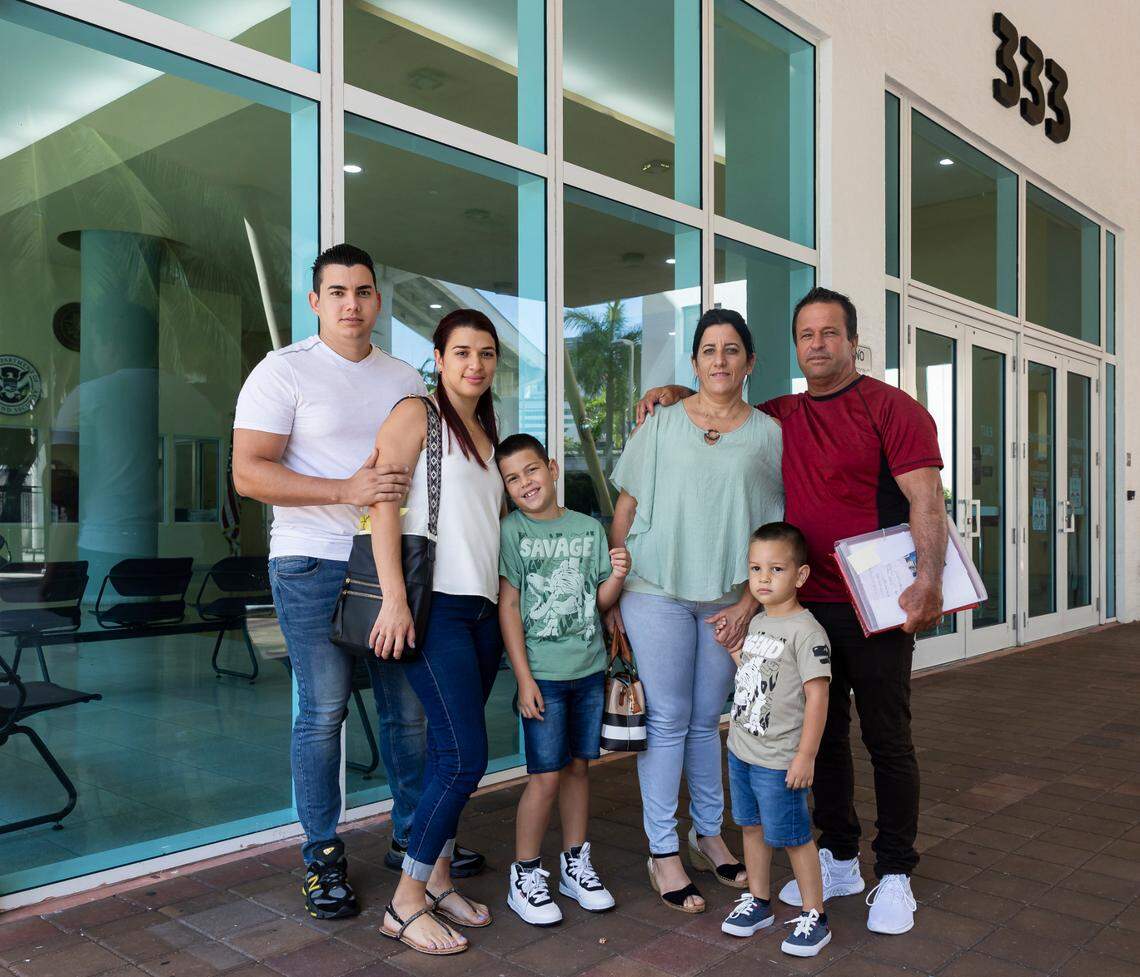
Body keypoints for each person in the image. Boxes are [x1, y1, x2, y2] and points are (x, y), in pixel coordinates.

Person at [637, 286, 947, 935]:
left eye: (829, 332)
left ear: (851, 340)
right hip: (801, 609)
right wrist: (671, 393)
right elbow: (720, 406)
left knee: (886, 736)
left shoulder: (894, 409)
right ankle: (838, 852)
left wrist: (930, 579)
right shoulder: (782, 414)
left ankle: (894, 869)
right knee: (822, 737)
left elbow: (925, 500)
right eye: (806, 334)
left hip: (876, 606)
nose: (817, 344)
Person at [233, 244, 485, 921]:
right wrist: (343, 488)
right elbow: (249, 472)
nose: (352, 302)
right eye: (337, 291)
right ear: (315, 301)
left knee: (407, 711)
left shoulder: (404, 377)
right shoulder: (281, 371)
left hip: (387, 565)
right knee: (322, 713)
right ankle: (321, 854)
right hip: (309, 562)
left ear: (377, 300)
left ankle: (413, 842)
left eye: (364, 291)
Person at [608, 309, 784, 914]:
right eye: (708, 349)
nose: (719, 360)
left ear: (749, 362)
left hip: (726, 598)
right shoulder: (660, 423)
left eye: (732, 350)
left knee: (709, 718)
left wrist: (745, 604)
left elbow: (772, 533)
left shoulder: (768, 435)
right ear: (694, 363)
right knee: (669, 717)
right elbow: (626, 508)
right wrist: (613, 585)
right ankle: (662, 849)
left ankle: (707, 831)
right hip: (654, 588)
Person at [370, 310, 505, 955]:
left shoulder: (484, 431)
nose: (474, 364)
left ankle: (440, 882)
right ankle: (403, 903)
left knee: (448, 757)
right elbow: (381, 504)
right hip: (436, 608)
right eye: (461, 353)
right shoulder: (416, 413)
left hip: (480, 614)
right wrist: (395, 599)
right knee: (463, 758)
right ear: (439, 357)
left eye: (485, 353)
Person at [496, 433, 629, 926]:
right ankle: (525, 872)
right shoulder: (513, 532)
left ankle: (575, 863)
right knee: (544, 776)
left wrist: (617, 575)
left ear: (551, 468)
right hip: (544, 677)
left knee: (578, 768)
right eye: (512, 478)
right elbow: (509, 605)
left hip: (589, 671)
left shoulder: (588, 529)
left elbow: (598, 602)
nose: (525, 483)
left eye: (530, 470)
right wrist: (523, 677)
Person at [720, 522, 831, 958]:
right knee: (751, 827)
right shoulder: (761, 621)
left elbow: (817, 696)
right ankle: (760, 902)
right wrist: (732, 648)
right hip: (742, 751)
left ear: (800, 576)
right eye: (756, 568)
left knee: (795, 836)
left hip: (780, 759)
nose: (763, 578)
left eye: (776, 569)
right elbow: (753, 678)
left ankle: (814, 914)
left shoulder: (807, 631)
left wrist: (806, 756)